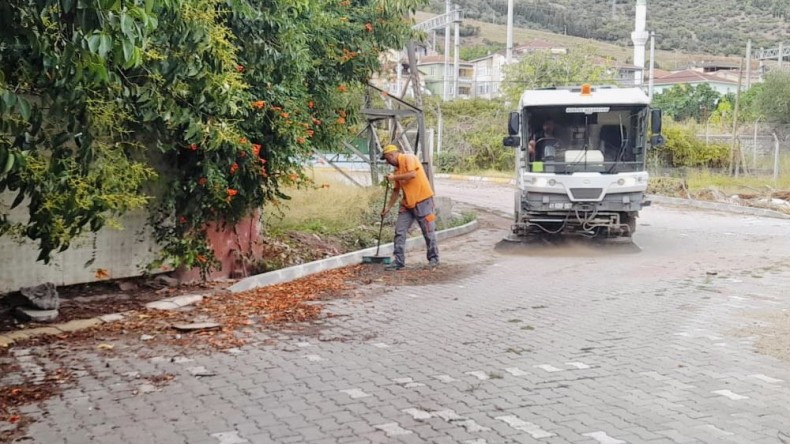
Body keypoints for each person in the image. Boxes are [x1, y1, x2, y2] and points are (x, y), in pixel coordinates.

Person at [380, 144, 439, 271]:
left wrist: (394, 177)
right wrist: (388, 208)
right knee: (399, 232)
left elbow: (412, 174)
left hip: (423, 201)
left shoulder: (409, 158)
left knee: (428, 231)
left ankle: (433, 259)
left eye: (387, 159)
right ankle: (398, 261)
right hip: (407, 204)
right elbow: (396, 191)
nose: (387, 162)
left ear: (392, 155)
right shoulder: (397, 170)